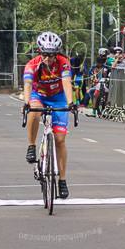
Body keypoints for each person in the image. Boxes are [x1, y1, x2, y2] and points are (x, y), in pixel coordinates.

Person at [23, 31, 74, 199]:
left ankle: (62, 180)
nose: (48, 58)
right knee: (35, 110)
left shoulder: (63, 63)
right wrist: (26, 101)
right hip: (39, 95)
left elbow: (66, 82)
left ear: (57, 54)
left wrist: (71, 103)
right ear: (40, 52)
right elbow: (28, 84)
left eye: (52, 55)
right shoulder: (32, 64)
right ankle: (31, 146)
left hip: (58, 97)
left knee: (60, 140)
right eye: (45, 54)